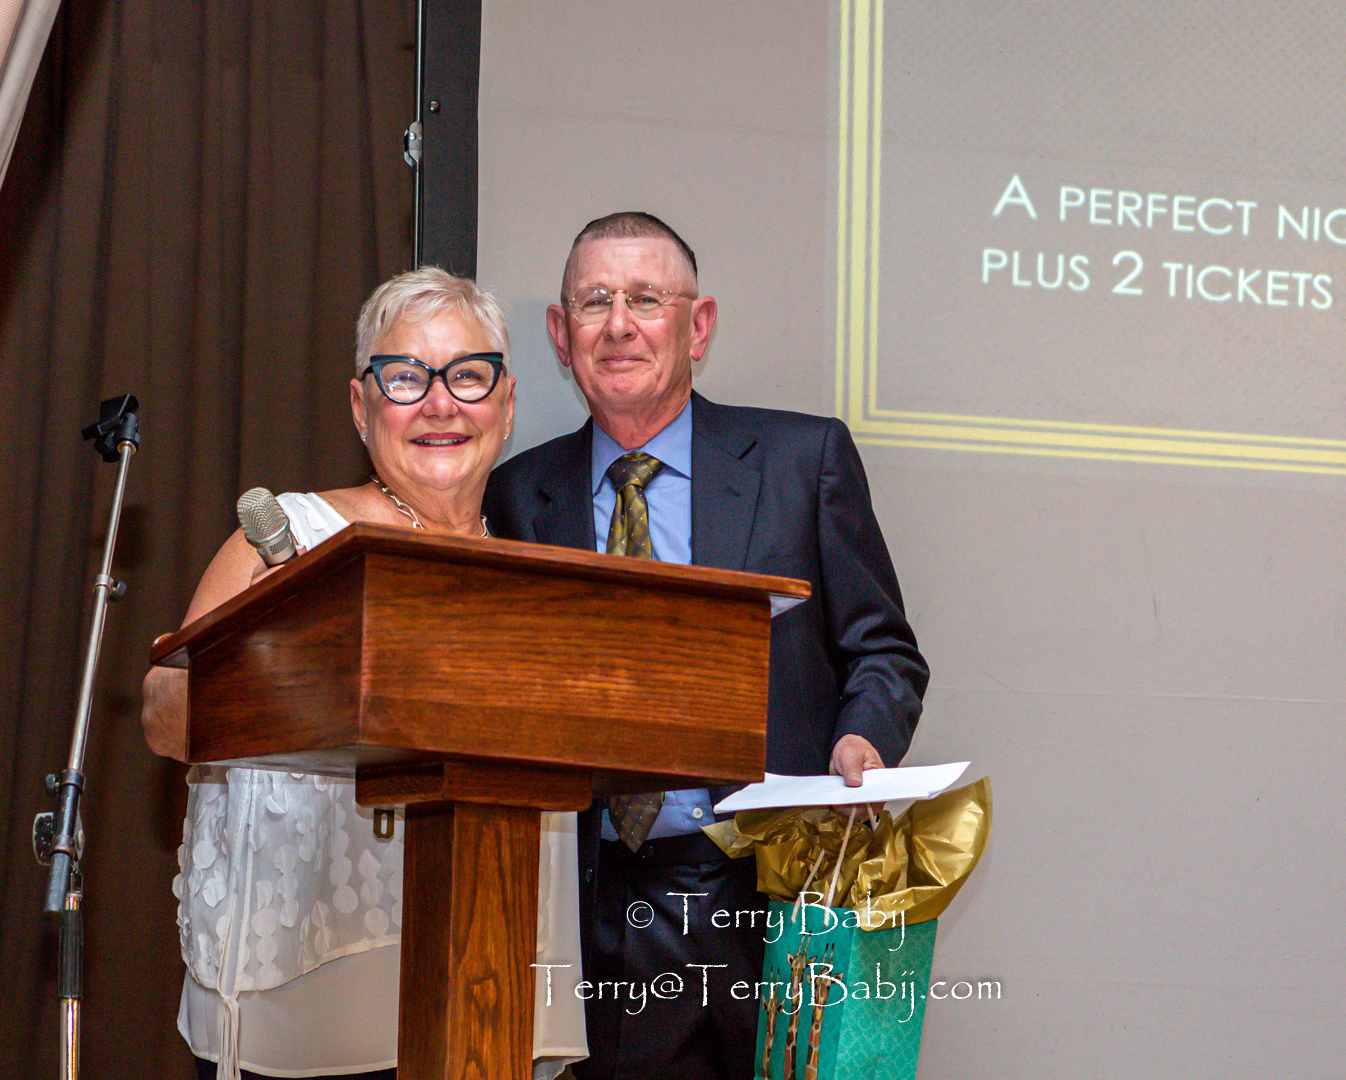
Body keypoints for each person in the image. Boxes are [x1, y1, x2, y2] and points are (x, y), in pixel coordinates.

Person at [486, 213, 929, 1080]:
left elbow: (884, 651)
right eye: (595, 302)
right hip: (601, 910)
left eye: (646, 299)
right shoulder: (517, 496)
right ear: (560, 335)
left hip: (774, 900)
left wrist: (863, 738)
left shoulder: (802, 459)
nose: (619, 325)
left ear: (699, 326)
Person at [142, 268, 586, 1080]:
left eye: (468, 375)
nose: (441, 404)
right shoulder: (289, 540)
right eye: (406, 377)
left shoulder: (538, 579)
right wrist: (291, 673)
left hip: (484, 993)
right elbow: (165, 714)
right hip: (302, 1015)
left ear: (507, 402)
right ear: (361, 405)